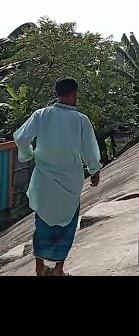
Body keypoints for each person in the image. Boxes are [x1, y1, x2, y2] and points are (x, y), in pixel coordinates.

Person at [13, 77, 102, 276]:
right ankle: (58, 270)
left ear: (57, 93)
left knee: (42, 223)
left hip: (43, 181)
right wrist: (94, 171)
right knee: (68, 226)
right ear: (73, 94)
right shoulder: (81, 120)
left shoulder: (41, 115)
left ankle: (39, 266)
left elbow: (20, 138)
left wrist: (28, 154)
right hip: (70, 183)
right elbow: (89, 150)